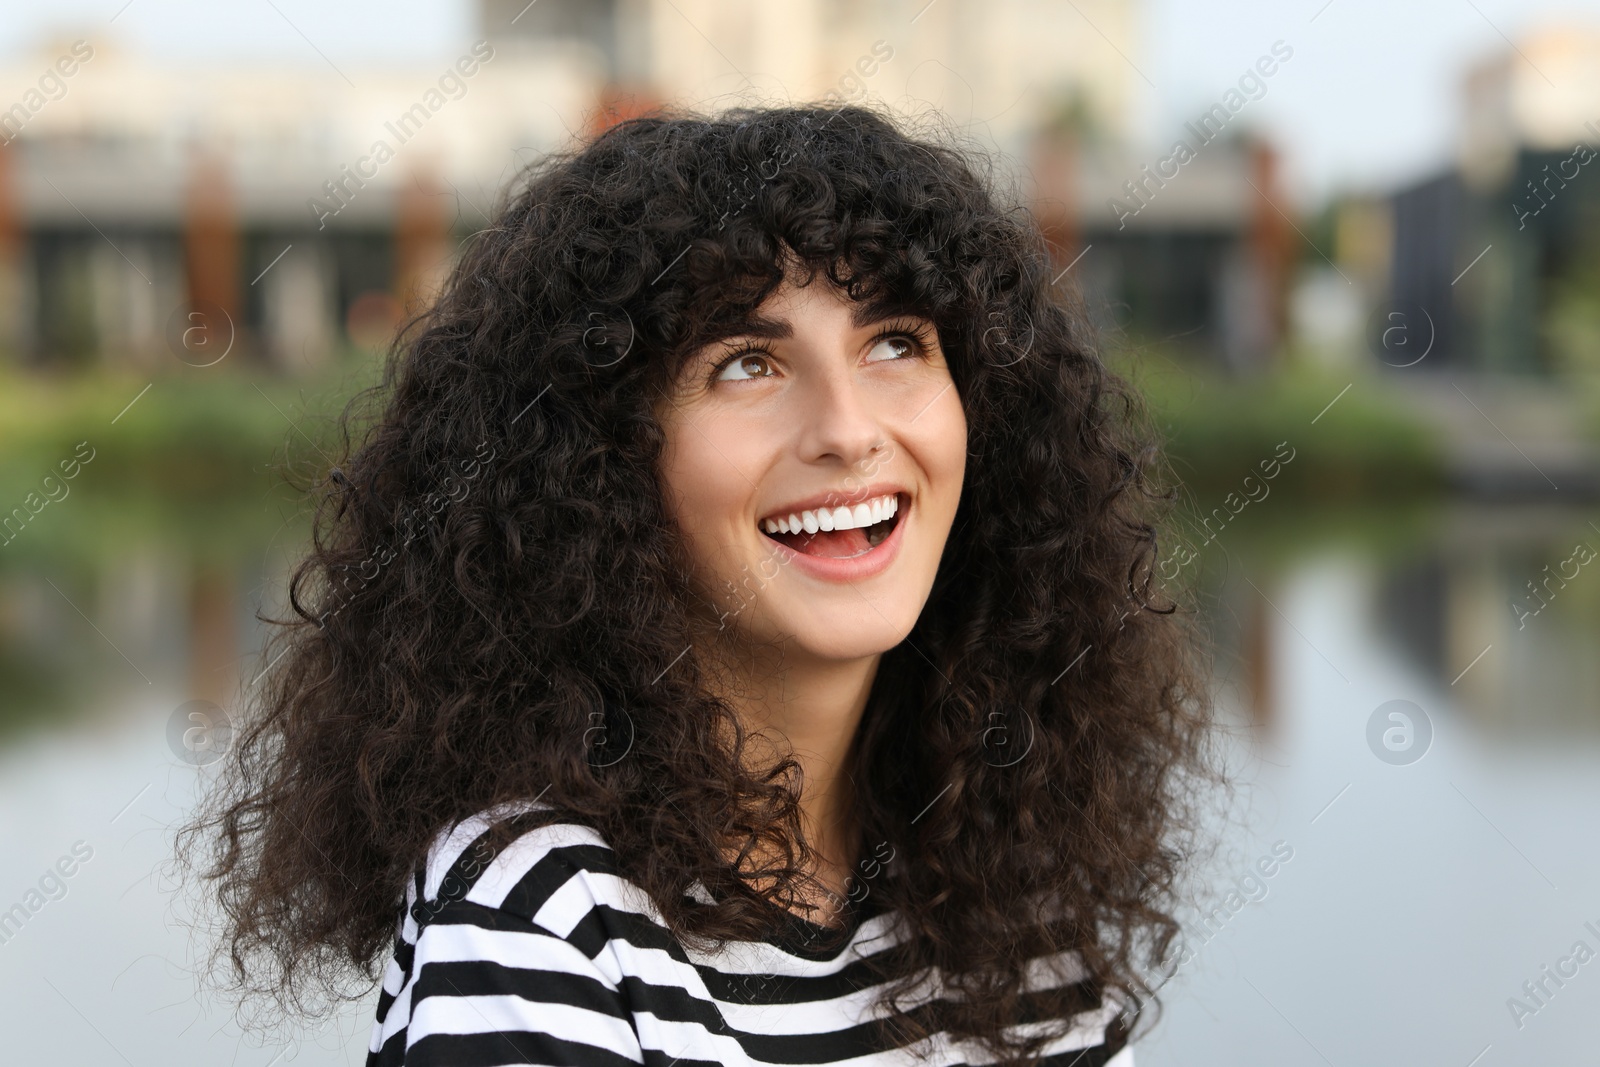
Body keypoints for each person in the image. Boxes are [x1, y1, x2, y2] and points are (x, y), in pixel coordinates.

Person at [179, 103, 1214, 1067]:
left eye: (894, 343)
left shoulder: (1007, 889)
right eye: (745, 365)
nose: (849, 430)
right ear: (603, 465)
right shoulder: (542, 913)